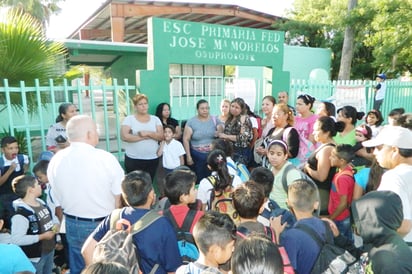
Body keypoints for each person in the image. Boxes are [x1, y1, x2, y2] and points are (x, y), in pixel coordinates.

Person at [47, 115, 125, 274]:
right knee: (107, 268)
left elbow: (56, 196)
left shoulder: (56, 160)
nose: (98, 133)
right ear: (89, 134)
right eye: (96, 130)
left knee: (79, 267)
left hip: (72, 222)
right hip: (103, 224)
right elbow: (119, 198)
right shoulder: (105, 158)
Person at [82, 170, 182, 273]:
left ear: (124, 196)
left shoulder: (114, 217)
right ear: (151, 194)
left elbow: (87, 251)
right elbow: (173, 269)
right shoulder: (162, 224)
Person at [362, 125, 412, 246]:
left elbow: (404, 226)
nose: (374, 153)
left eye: (379, 148)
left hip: (402, 247)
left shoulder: (394, 176)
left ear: (395, 150)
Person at [270, 179, 326, 274]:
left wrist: (276, 236)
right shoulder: (325, 224)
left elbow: (286, 269)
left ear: (288, 203)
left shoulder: (291, 236)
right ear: (316, 204)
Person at [351, 191, 412, 273]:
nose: (356, 225)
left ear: (372, 221)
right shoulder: (377, 240)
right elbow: (361, 253)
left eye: (360, 220)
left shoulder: (394, 264)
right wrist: (338, 238)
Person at [10, 175, 58, 274]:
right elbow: (16, 239)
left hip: (49, 251)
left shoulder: (42, 203)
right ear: (30, 190)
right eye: (38, 184)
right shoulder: (21, 214)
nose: (41, 186)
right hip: (35, 258)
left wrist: (55, 228)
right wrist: (42, 236)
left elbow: (50, 222)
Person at [303, 116, 341, 215]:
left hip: (321, 194)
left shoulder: (327, 149)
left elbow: (321, 176)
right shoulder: (325, 146)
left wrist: (307, 168)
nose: (313, 133)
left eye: (316, 130)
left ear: (327, 132)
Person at [121, 94, 163, 180]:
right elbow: (124, 136)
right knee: (133, 186)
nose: (144, 106)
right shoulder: (129, 119)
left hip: (151, 158)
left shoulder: (155, 119)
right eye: (140, 104)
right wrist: (143, 137)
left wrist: (148, 133)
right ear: (135, 106)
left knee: (148, 185)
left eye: (145, 103)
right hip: (133, 159)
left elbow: (161, 136)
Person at [183, 99, 220, 184]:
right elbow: (186, 139)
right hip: (197, 156)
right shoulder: (191, 122)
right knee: (199, 179)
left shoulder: (214, 119)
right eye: (202, 108)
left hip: (212, 156)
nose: (205, 110)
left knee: (213, 178)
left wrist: (219, 130)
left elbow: (221, 127)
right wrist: (188, 156)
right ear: (197, 109)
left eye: (207, 108)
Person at [255, 103, 299, 167]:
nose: (273, 116)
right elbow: (264, 145)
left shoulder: (290, 131)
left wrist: (269, 153)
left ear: (286, 116)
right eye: (273, 114)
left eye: (277, 114)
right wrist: (260, 149)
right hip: (267, 167)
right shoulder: (272, 130)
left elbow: (292, 153)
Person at [0, 136, 29, 230]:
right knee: (11, 215)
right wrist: (10, 170)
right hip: (6, 195)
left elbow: (26, 162)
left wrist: (25, 169)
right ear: (3, 150)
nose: (14, 151)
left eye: (16, 148)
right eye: (10, 148)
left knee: (23, 214)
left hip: (20, 193)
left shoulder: (21, 158)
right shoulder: (1, 163)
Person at [327, 144, 355, 241]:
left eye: (333, 156)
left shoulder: (342, 178)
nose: (329, 157)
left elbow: (343, 204)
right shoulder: (345, 171)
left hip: (340, 219)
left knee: (340, 243)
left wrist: (331, 218)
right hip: (343, 217)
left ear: (342, 161)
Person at [267, 140, 302, 209]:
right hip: (271, 208)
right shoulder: (270, 167)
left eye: (279, 154)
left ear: (285, 156)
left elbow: (296, 198)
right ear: (267, 154)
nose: (274, 157)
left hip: (285, 212)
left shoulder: (291, 173)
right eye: (271, 153)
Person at [218, 98, 253, 165]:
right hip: (230, 150)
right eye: (232, 106)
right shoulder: (230, 118)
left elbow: (243, 138)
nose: (233, 109)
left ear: (241, 109)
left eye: (237, 107)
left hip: (240, 152)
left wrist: (226, 136)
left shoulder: (244, 119)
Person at [294, 94, 318, 165]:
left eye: (300, 104)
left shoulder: (315, 119)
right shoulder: (295, 119)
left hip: (308, 153)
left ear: (308, 105)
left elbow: (312, 141)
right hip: (296, 151)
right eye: (296, 104)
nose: (297, 106)